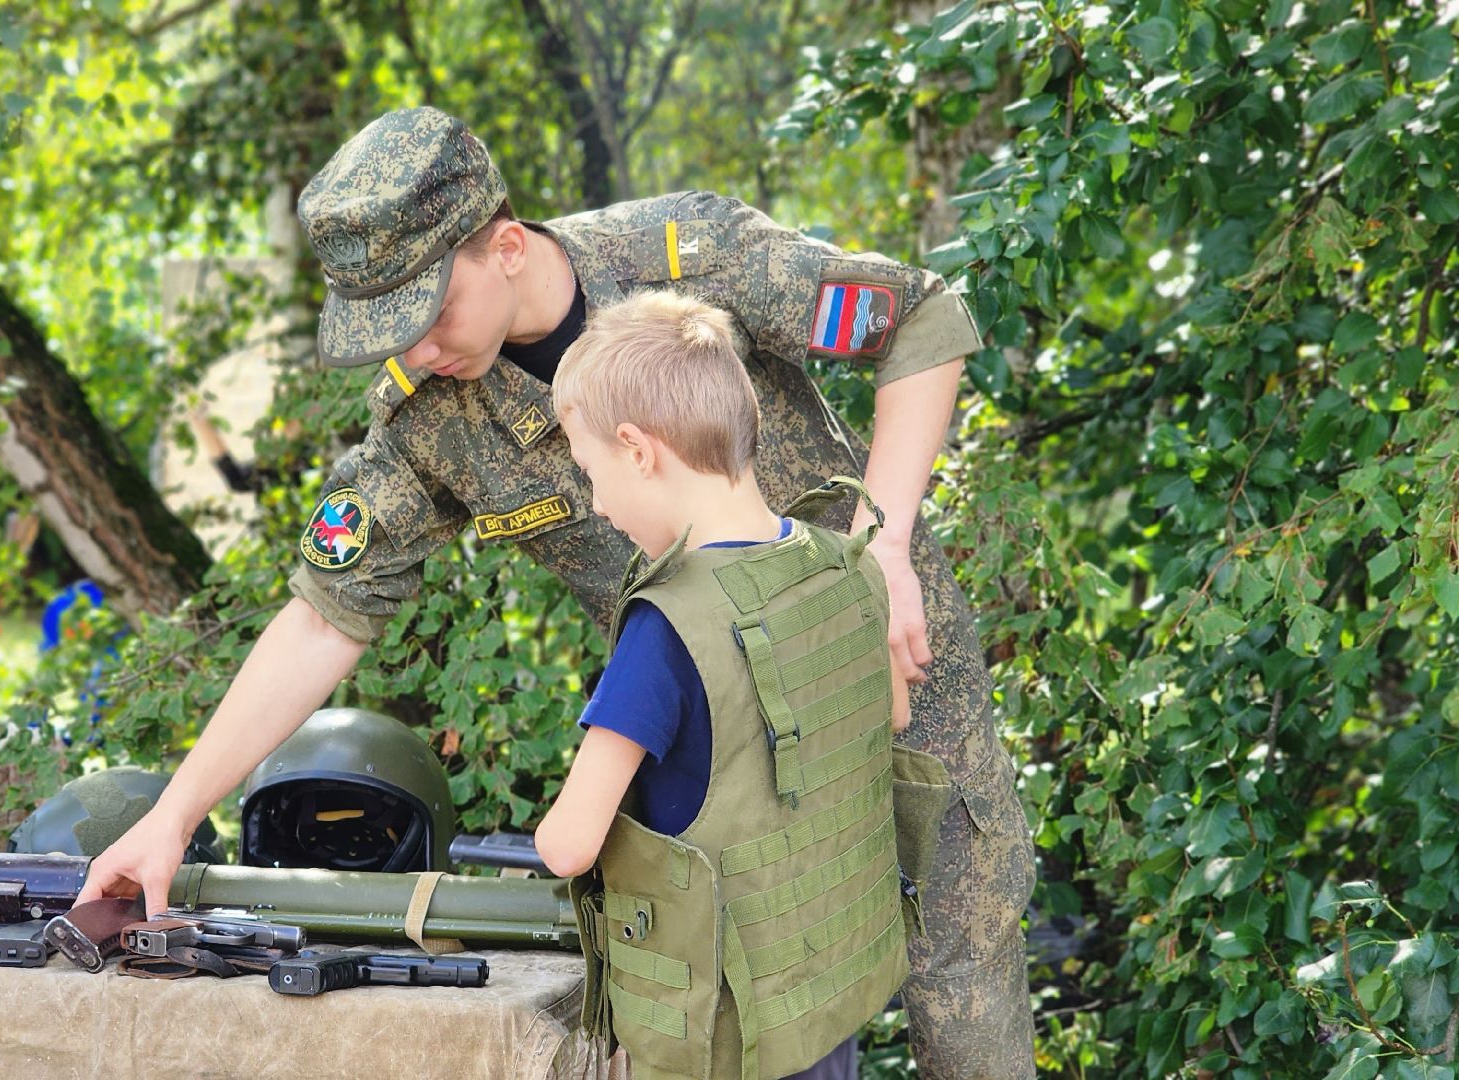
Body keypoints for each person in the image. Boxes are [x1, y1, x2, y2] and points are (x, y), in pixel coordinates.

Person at [79, 107, 1034, 1077]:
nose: (412, 350)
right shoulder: (431, 414)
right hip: (717, 761)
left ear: (502, 247)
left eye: (426, 313)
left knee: (957, 970)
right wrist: (176, 814)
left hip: (879, 660)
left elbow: (917, 317)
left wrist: (885, 543)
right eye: (384, 331)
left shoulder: (690, 257)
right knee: (758, 1014)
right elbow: (327, 616)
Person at [532, 291, 911, 1079]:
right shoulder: (843, 564)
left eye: (592, 473)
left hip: (725, 1037)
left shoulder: (668, 628)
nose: (597, 506)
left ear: (638, 449)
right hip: (822, 1002)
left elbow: (568, 846)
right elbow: (891, 714)